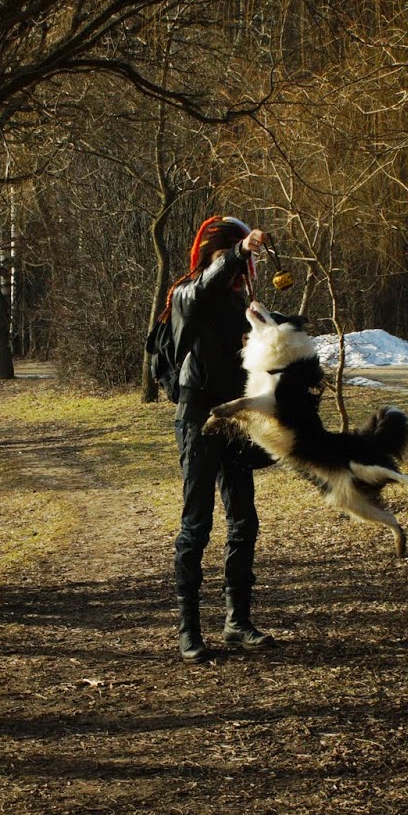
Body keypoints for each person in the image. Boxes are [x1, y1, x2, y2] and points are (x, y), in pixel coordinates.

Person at [165, 214, 275, 664]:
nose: (237, 271)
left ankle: (237, 621)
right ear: (209, 258)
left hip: (235, 418)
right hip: (198, 417)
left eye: (241, 264)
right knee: (196, 525)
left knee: (244, 521)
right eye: (226, 259)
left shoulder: (237, 302)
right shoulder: (185, 294)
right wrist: (238, 251)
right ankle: (189, 629)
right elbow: (206, 286)